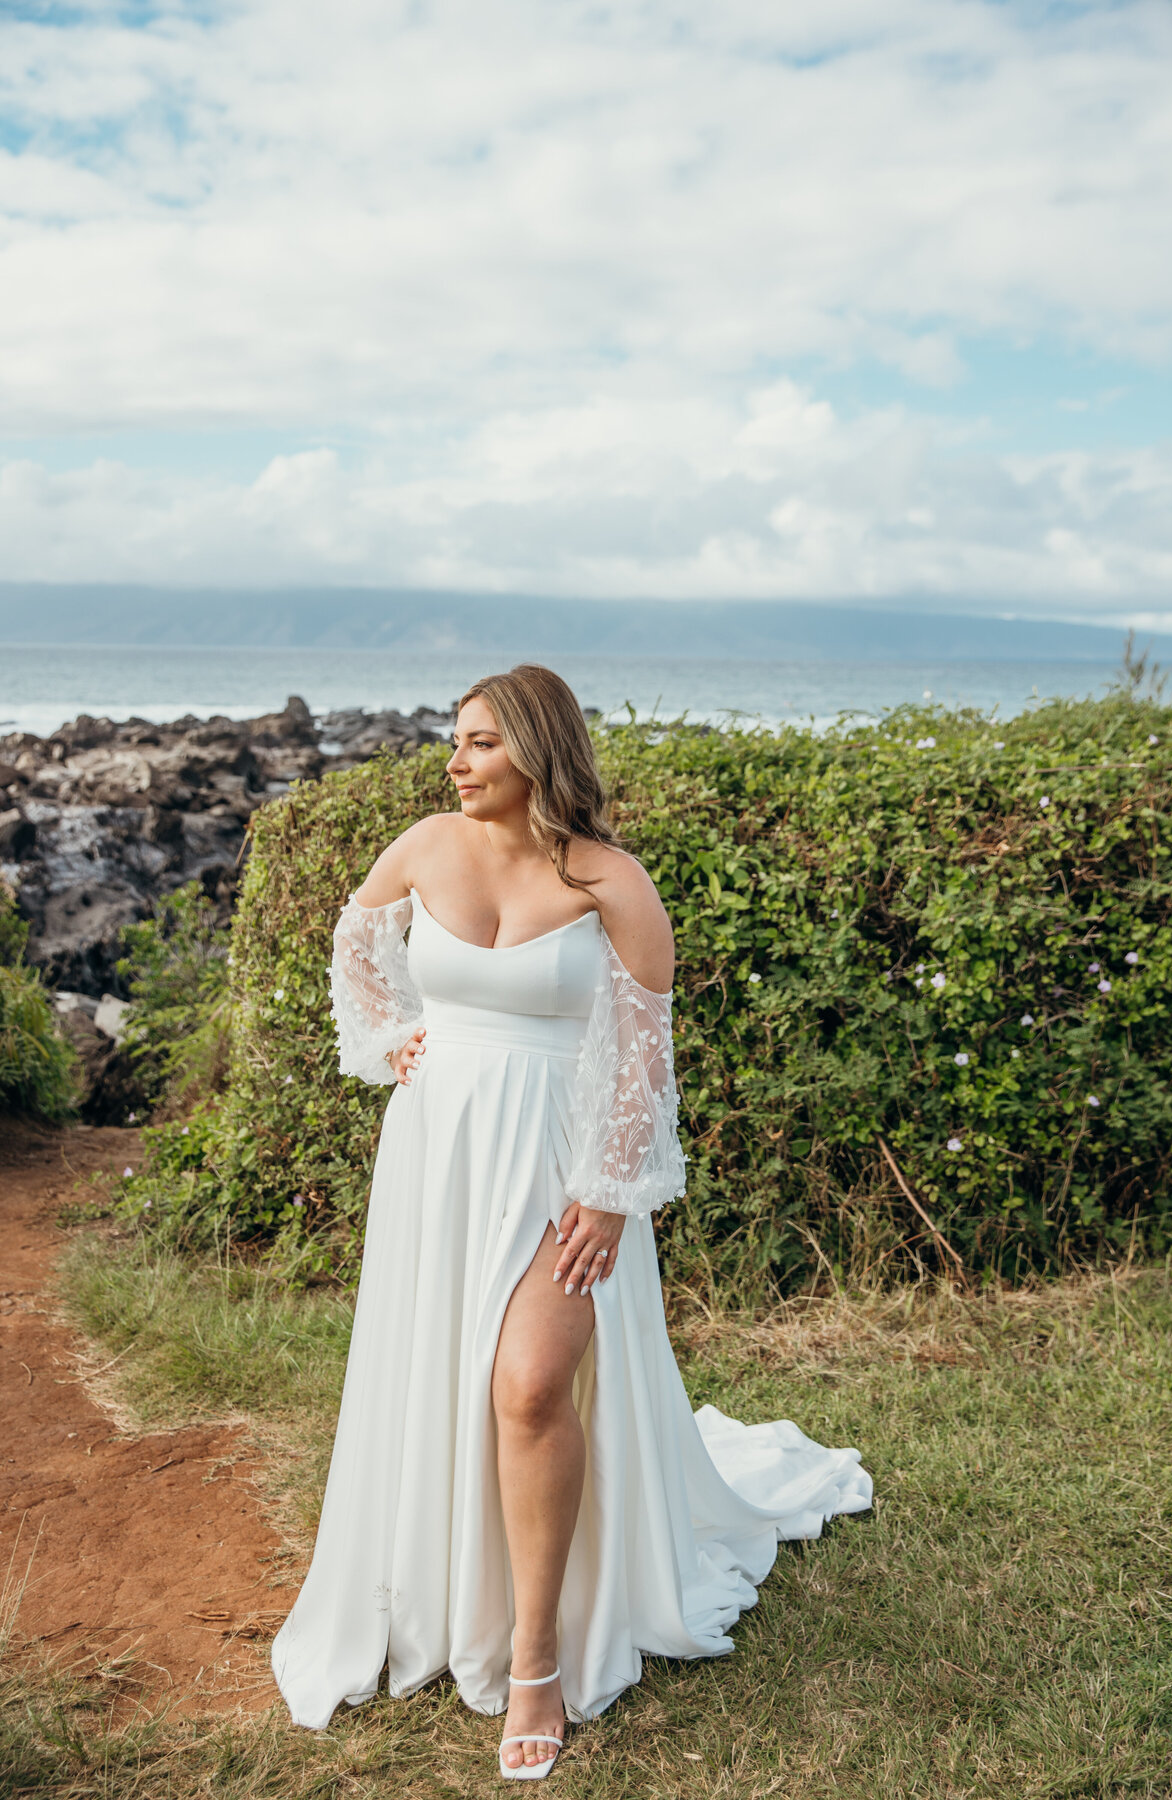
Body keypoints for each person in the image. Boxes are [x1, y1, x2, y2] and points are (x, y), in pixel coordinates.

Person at [271, 663, 871, 1780]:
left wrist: (604, 1193)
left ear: (541, 751)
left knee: (534, 1384)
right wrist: (388, 1035)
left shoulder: (611, 882)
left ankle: (537, 1660)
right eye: (455, 741)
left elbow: (644, 1062)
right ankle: (449, 1601)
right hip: (439, 1159)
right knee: (454, 1380)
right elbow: (356, 945)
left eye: (482, 743)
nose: (456, 762)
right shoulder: (422, 847)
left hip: (565, 1173)